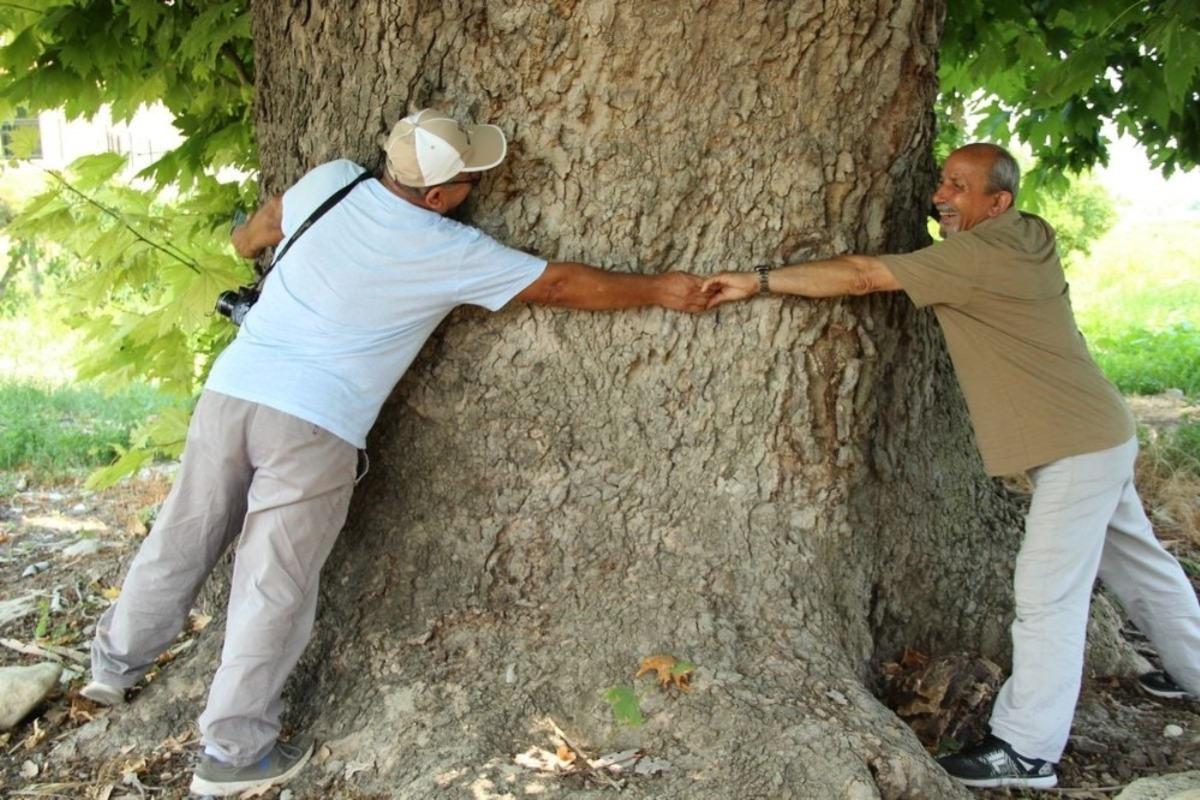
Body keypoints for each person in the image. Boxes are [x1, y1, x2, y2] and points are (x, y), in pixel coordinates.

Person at [81, 108, 709, 797]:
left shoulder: (334, 182)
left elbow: (256, 231)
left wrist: (239, 241)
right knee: (273, 583)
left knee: (182, 534)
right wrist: (660, 290)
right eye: (469, 177)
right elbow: (557, 283)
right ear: (438, 196)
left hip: (233, 392)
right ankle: (231, 755)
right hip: (312, 424)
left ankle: (112, 668)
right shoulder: (446, 247)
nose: (474, 185)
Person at [702, 142, 1200, 791]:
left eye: (960, 188)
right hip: (1099, 432)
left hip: (1077, 449)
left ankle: (1027, 750)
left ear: (999, 202)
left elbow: (860, 275)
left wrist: (757, 280)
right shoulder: (1029, 235)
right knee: (1144, 568)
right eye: (942, 182)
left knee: (1047, 597)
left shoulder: (978, 254)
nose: (941, 196)